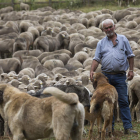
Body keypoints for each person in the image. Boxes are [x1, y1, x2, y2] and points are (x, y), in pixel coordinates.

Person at [90, 19, 137, 134]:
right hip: (105, 77)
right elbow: (96, 59)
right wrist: (92, 70)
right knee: (107, 102)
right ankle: (108, 128)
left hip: (120, 76)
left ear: (114, 26)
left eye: (110, 27)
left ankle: (128, 127)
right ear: (103, 30)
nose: (109, 29)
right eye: (106, 28)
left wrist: (131, 70)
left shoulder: (123, 39)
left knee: (123, 101)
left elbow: (130, 55)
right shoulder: (101, 43)